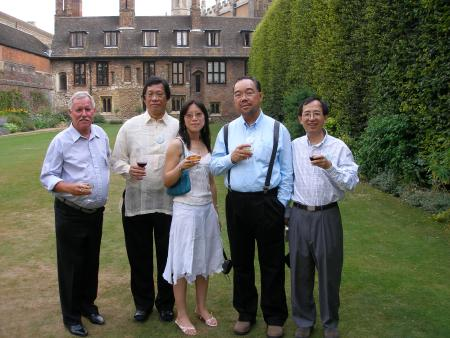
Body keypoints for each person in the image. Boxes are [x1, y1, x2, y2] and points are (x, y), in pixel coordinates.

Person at [210, 76, 293, 338]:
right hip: (237, 203)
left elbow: (288, 174)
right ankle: (245, 313)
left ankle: (275, 317)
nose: (243, 98)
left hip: (268, 201)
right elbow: (213, 165)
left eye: (248, 92)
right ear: (233, 98)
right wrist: (231, 158)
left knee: (272, 263)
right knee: (242, 262)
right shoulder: (227, 131)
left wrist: (280, 205)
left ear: (260, 95)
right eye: (237, 94)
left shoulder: (278, 129)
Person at [40, 91, 110, 337]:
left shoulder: (101, 135)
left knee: (91, 264)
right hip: (70, 213)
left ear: (93, 110)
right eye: (78, 110)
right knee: (71, 266)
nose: (84, 114)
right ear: (71, 113)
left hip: (95, 213)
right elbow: (47, 176)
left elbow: (105, 165)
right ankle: (71, 317)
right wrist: (69, 188)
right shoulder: (60, 141)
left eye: (88, 109)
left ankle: (88, 307)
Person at [288, 96, 359, 338]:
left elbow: (351, 183)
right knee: (299, 271)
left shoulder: (338, 148)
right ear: (300, 118)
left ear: (325, 117)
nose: (311, 118)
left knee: (329, 272)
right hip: (298, 215)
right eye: (306, 114)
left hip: (327, 216)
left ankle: (330, 323)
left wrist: (329, 166)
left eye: (316, 113)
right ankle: (304, 321)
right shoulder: (294, 146)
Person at [111, 76, 177, 323]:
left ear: (167, 98)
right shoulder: (130, 126)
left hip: (168, 203)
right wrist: (129, 170)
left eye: (160, 94)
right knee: (139, 257)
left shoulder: (177, 127)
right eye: (150, 94)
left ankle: (166, 304)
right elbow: (116, 159)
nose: (155, 98)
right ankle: (143, 304)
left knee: (167, 256)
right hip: (137, 201)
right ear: (144, 98)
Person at [163, 100, 223, 336]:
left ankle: (201, 307)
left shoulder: (207, 144)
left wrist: (216, 211)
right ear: (184, 119)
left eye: (199, 115)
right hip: (185, 211)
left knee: (203, 261)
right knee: (181, 262)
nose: (195, 119)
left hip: (206, 210)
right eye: (190, 115)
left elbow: (210, 182)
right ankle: (182, 314)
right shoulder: (177, 145)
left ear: (205, 118)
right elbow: (166, 181)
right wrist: (181, 167)